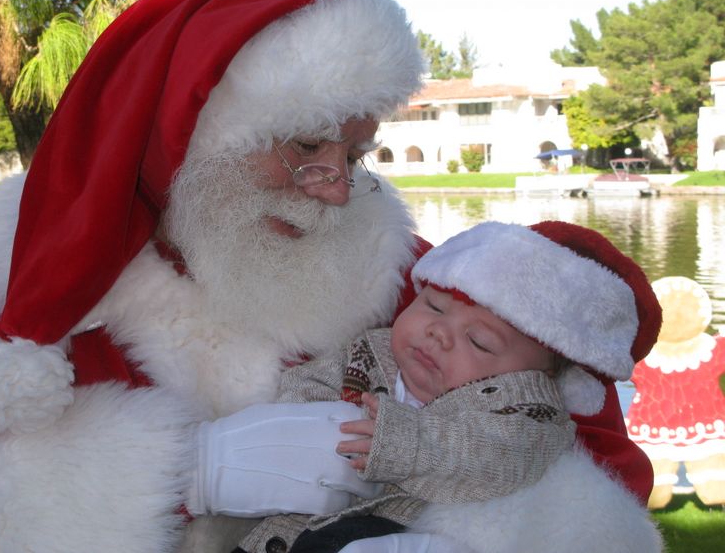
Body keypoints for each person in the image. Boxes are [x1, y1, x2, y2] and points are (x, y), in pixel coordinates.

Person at [0, 0, 656, 552]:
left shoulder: (405, 274)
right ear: (196, 132)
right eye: (306, 146)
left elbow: (587, 443)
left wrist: (438, 526)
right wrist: (180, 474)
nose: (336, 191)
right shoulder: (6, 277)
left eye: (356, 153)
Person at [237, 221, 663, 553]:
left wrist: (411, 443)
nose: (439, 332)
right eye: (433, 306)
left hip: (397, 525)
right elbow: (310, 380)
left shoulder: (528, 414)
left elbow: (498, 455)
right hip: (291, 524)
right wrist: (305, 421)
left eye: (479, 341)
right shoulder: (374, 351)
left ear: (536, 379)